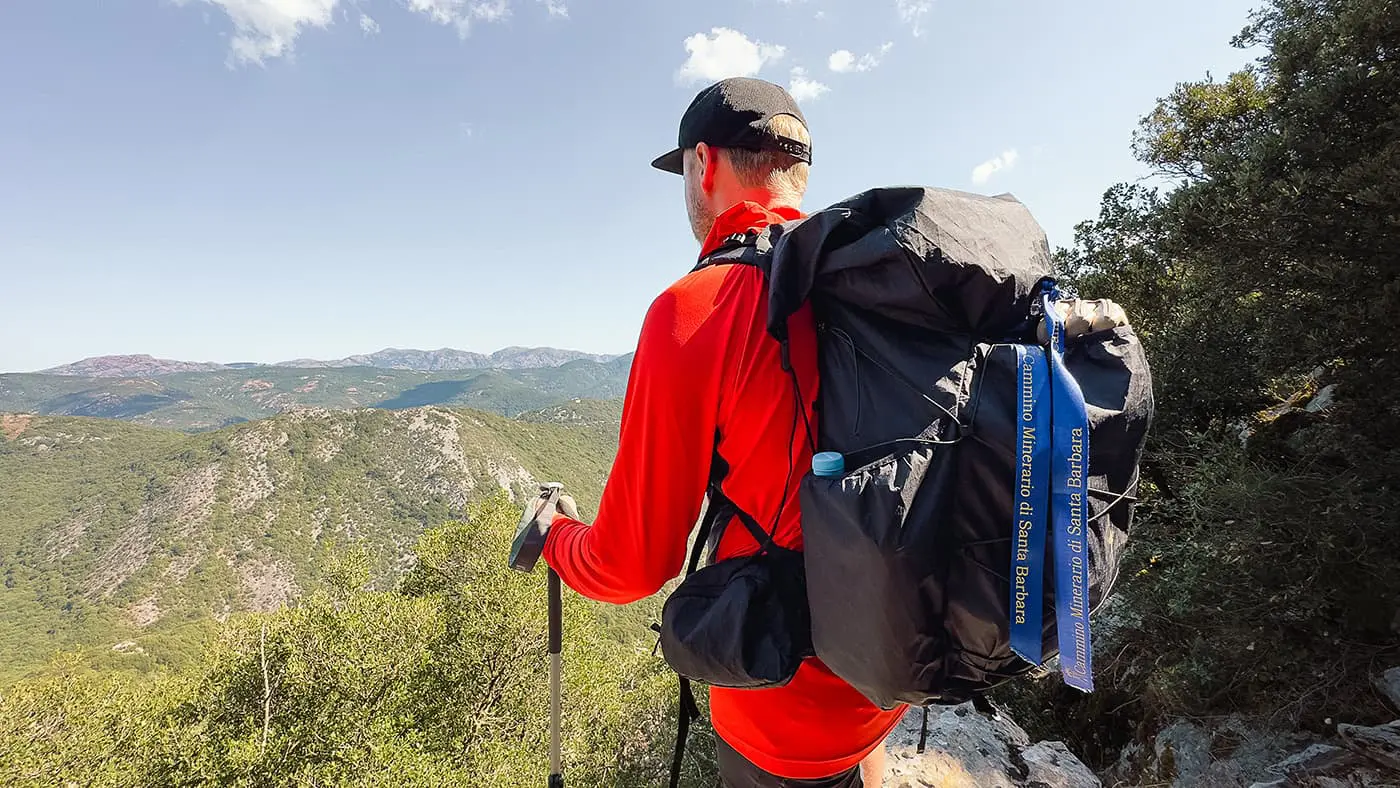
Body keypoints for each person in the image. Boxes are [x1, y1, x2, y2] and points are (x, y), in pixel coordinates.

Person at [541, 77, 903, 787]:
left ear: (703, 163)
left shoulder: (694, 309)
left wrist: (553, 538)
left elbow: (631, 567)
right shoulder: (878, 285)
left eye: (683, 172)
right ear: (798, 171)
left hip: (779, 709)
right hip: (894, 655)